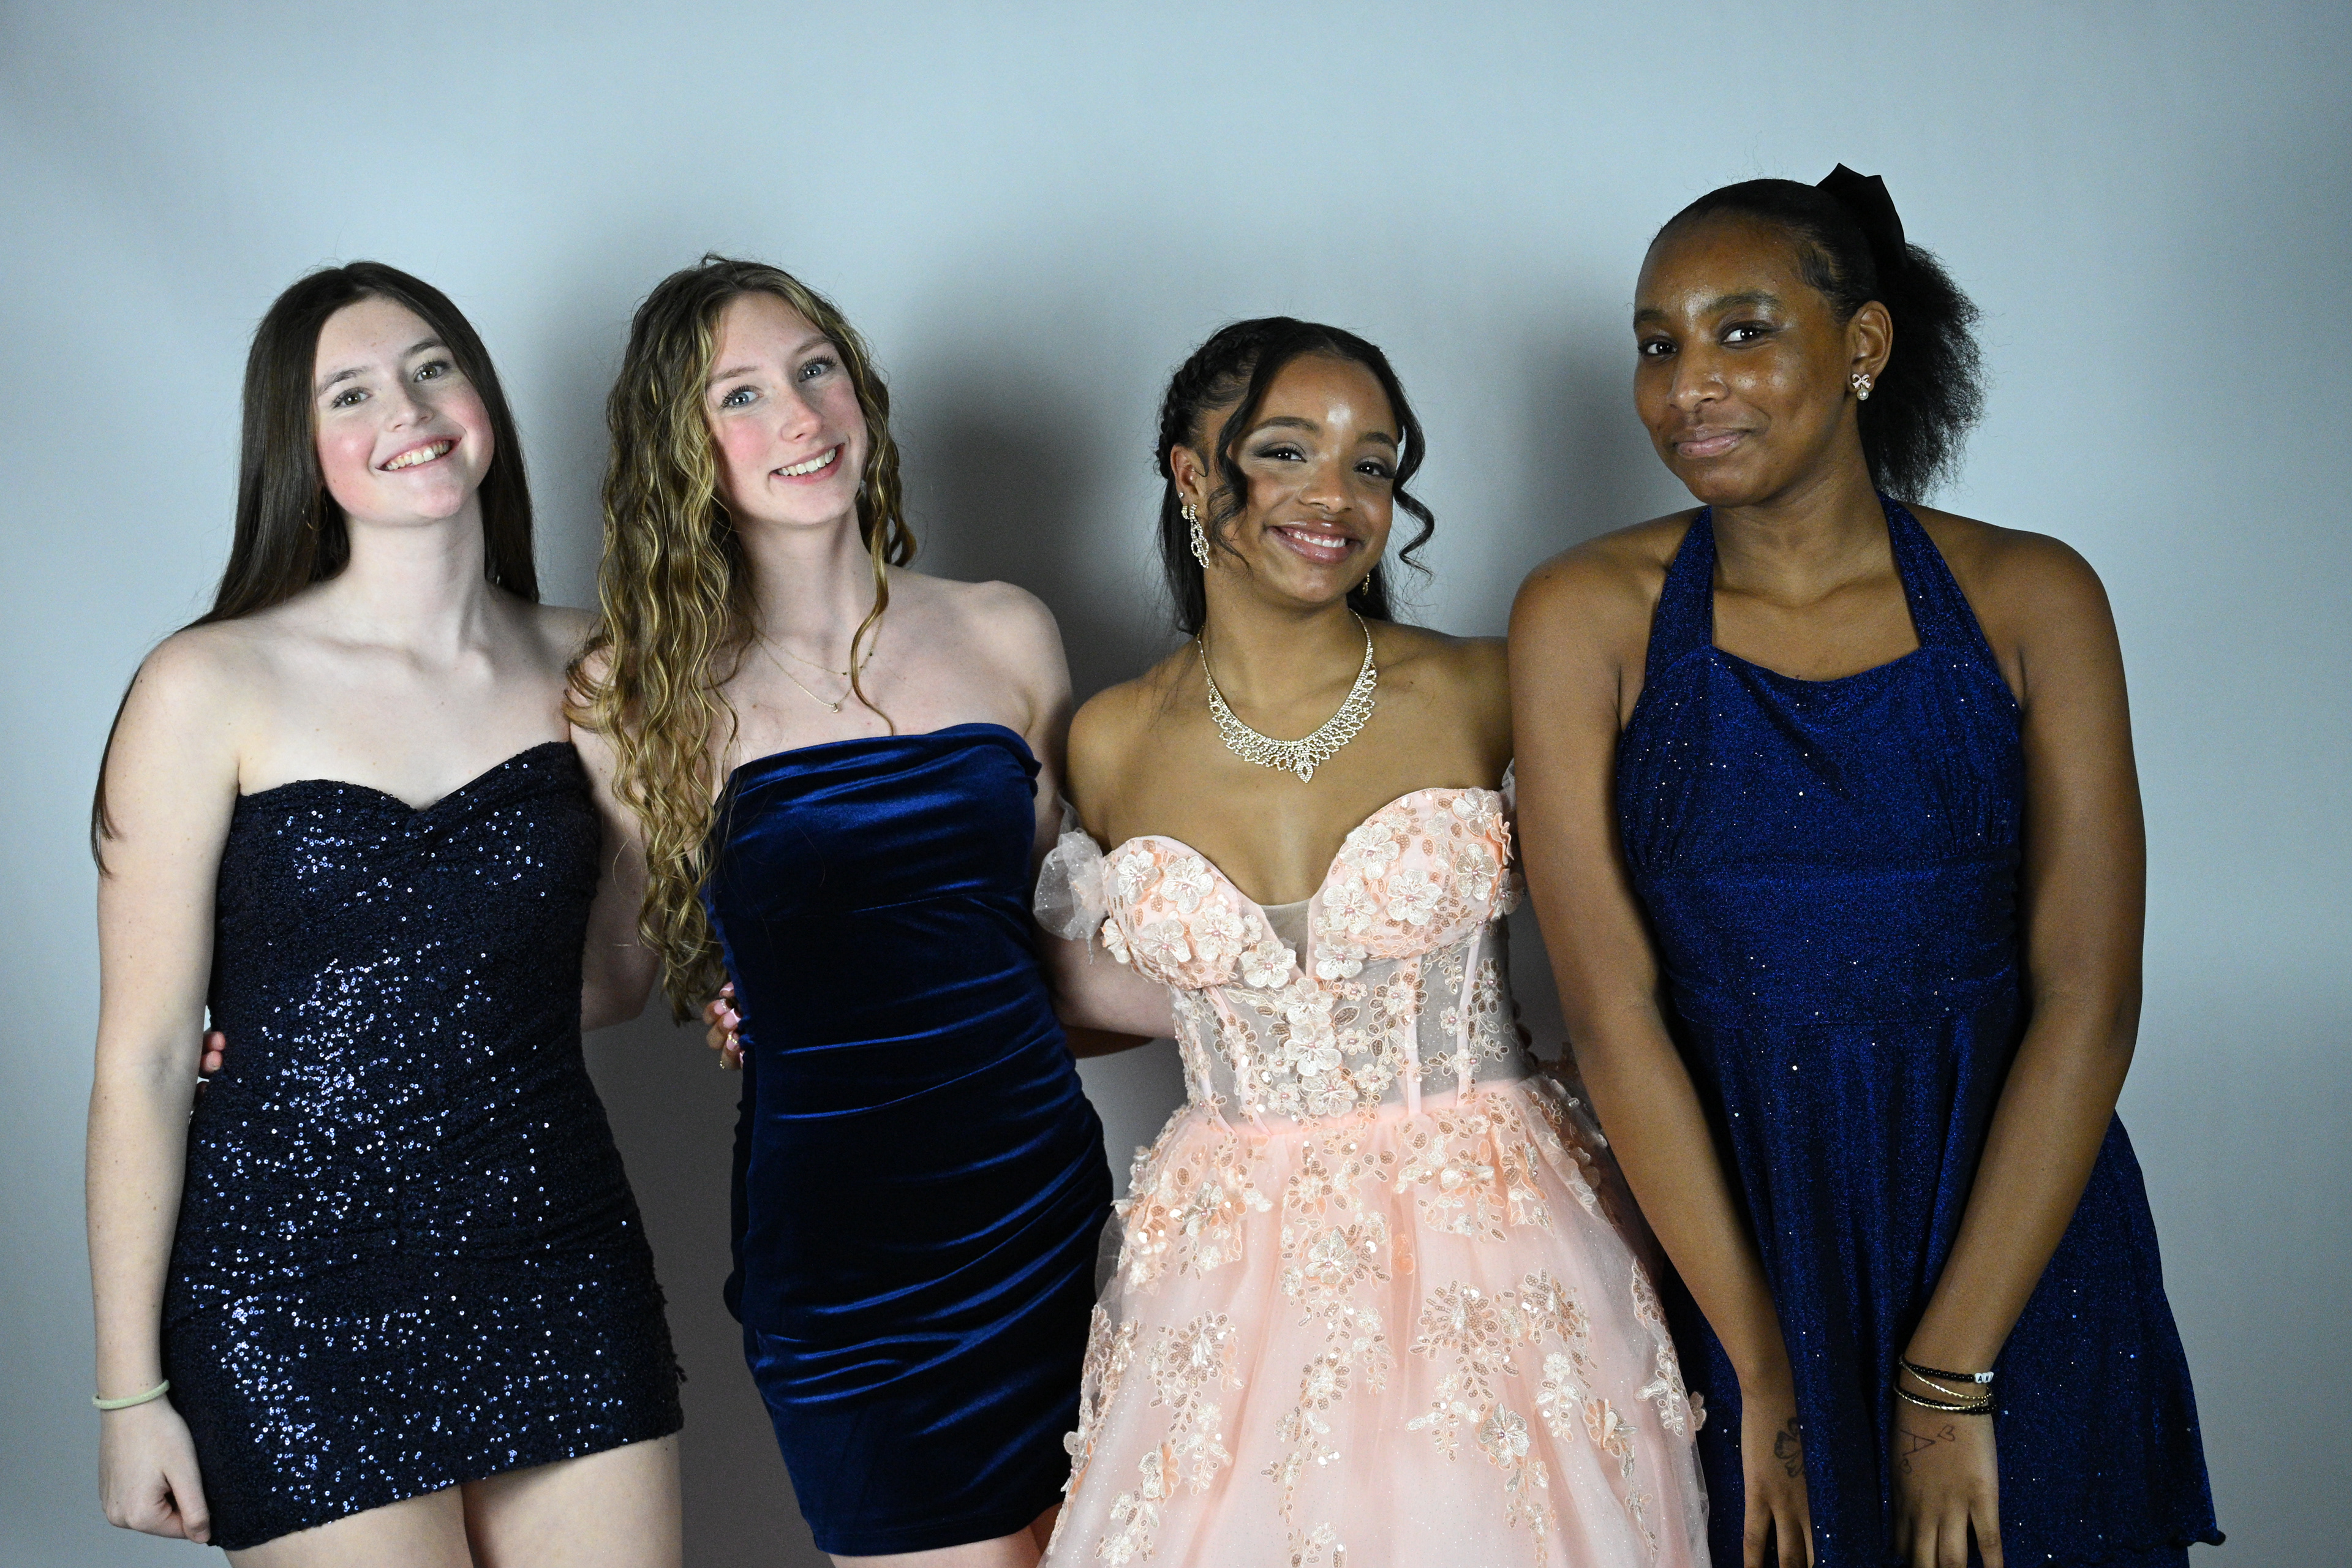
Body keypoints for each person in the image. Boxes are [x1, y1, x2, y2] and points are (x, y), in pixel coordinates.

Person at [1509, 168, 2221, 1568]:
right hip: (1729, 1226)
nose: (1688, 384)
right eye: (1658, 343)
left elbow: (2089, 997)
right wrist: (1760, 1368)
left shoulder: (2033, 595)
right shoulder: (1585, 613)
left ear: (1865, 346)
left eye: (1743, 330)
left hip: (2009, 1222)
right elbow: (1611, 1011)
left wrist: (1951, 1371)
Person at [1031, 317, 1706, 1567]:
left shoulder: (1486, 687)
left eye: (1374, 465)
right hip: (1225, 1266)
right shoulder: (1108, 741)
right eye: (1288, 451)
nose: (1337, 498)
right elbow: (1081, 987)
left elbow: (1665, 906)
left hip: (1495, 1240)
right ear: (1192, 473)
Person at [87, 263, 682, 1564]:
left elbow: (611, 981)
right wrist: (130, 1396)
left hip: (555, 1259)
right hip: (284, 1293)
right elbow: (144, 1058)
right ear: (298, 451)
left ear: (481, 399)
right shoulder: (205, 683)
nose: (406, 409)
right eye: (349, 393)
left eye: (431, 368)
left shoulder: (603, 669)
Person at [571, 256, 1117, 1566]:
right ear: (683, 450)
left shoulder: (1008, 631)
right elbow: (601, 979)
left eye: (816, 370)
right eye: (742, 395)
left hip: (1041, 1204)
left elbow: (1061, 953)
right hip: (848, 1257)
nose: (801, 417)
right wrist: (295, 1017)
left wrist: (1323, 990)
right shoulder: (641, 690)